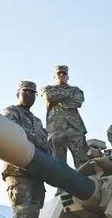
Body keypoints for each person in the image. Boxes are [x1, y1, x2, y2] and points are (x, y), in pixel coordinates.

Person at [2, 81, 49, 218]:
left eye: (32, 93)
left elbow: (46, 144)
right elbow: (11, 130)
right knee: (22, 214)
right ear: (18, 93)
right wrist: (37, 142)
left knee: (34, 214)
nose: (29, 95)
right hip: (18, 172)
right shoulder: (11, 112)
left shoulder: (37, 121)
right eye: (25, 91)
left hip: (37, 173)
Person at [40, 65, 89, 196]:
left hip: (75, 128)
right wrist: (67, 95)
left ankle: (83, 186)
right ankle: (62, 188)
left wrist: (60, 96)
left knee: (81, 160)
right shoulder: (47, 89)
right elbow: (49, 97)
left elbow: (78, 101)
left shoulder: (76, 90)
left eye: (64, 74)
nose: (61, 76)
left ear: (68, 76)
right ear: (54, 76)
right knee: (58, 162)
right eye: (59, 74)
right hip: (56, 129)